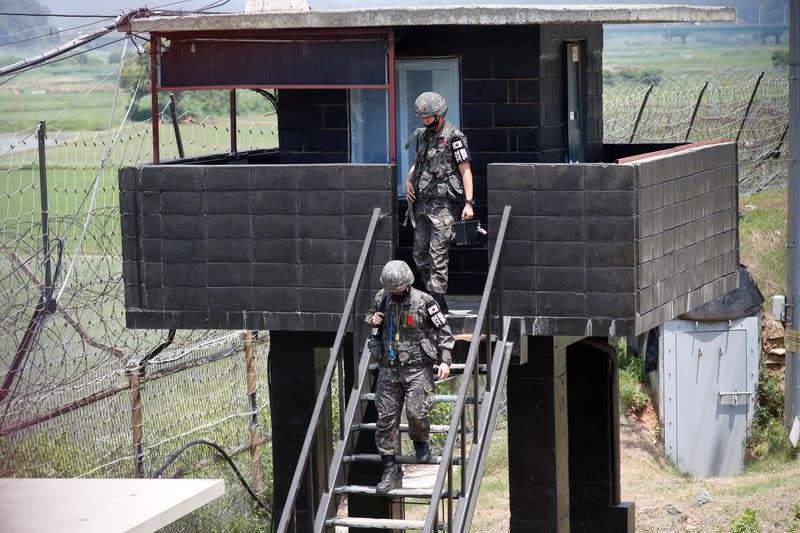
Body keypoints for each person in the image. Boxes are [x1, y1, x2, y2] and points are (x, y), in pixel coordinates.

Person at [366, 260, 454, 494]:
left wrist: (445, 360)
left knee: (416, 412)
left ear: (406, 284)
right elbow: (371, 319)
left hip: (417, 368)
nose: (393, 292)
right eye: (390, 289)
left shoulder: (425, 302)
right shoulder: (381, 298)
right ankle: (389, 467)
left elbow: (444, 332)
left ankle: (420, 441)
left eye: (397, 289)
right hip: (389, 367)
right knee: (385, 420)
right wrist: (372, 319)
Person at [405, 92, 475, 314]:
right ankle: (432, 296)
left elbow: (465, 171)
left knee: (438, 256)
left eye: (428, 116)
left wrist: (469, 203)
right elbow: (421, 162)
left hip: (444, 206)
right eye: (422, 117)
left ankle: (437, 301)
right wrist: (408, 180)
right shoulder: (423, 136)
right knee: (419, 255)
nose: (424, 120)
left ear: (439, 114)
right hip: (423, 203)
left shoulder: (455, 137)